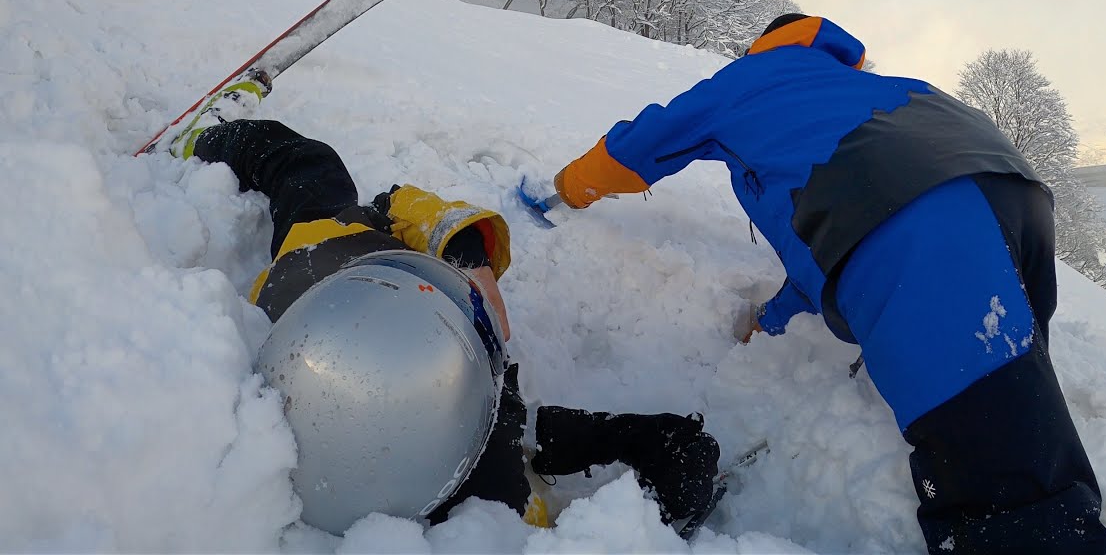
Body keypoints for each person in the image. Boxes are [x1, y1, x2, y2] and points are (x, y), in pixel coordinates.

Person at [551, 14, 1106, 554]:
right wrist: (772, 323)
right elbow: (824, 260)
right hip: (1010, 194)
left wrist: (565, 189)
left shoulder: (747, 79)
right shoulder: (854, 84)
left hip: (908, 217)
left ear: (761, 44)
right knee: (1012, 385)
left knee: (1009, 486)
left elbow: (641, 144)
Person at [166, 72, 720, 535]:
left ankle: (215, 139)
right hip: (357, 281)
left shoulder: (319, 301)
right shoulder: (492, 474)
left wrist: (465, 252)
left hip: (336, 267)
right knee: (312, 167)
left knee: (308, 166)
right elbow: (557, 435)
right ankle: (222, 137)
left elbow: (399, 203)